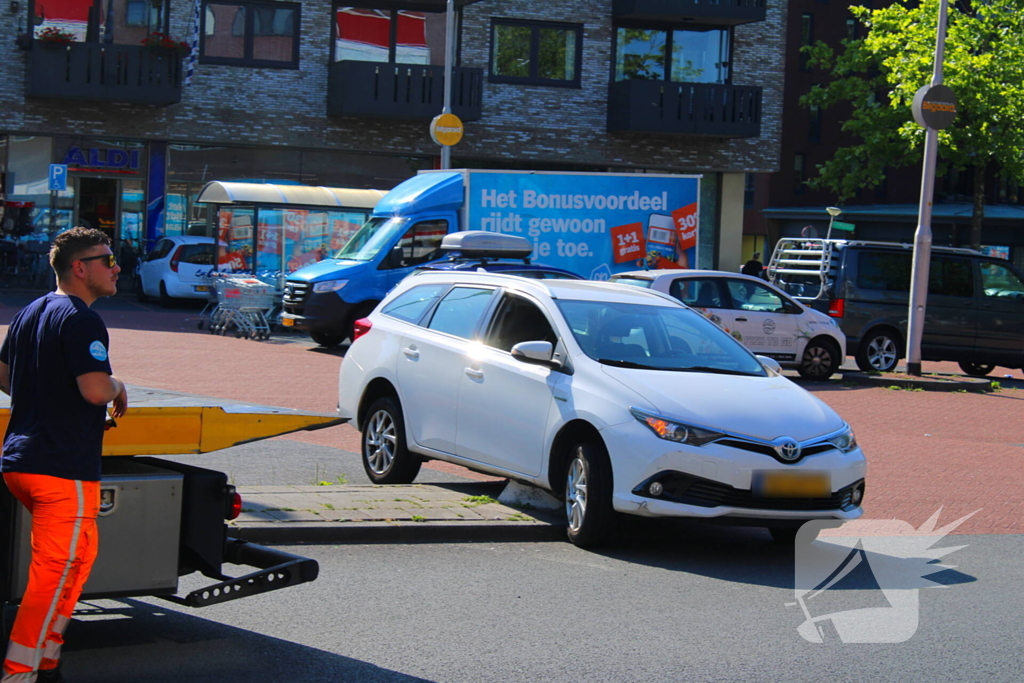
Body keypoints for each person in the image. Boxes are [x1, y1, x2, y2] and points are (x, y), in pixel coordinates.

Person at [1, 227, 128, 683]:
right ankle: (21, 673)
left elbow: (3, 374)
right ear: (80, 268)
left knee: (75, 563)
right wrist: (118, 386)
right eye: (107, 259)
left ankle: (47, 662)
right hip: (62, 469)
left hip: (23, 462)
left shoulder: (31, 312)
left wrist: (46, 393)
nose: (116, 267)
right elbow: (96, 390)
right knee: (53, 578)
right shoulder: (81, 318)